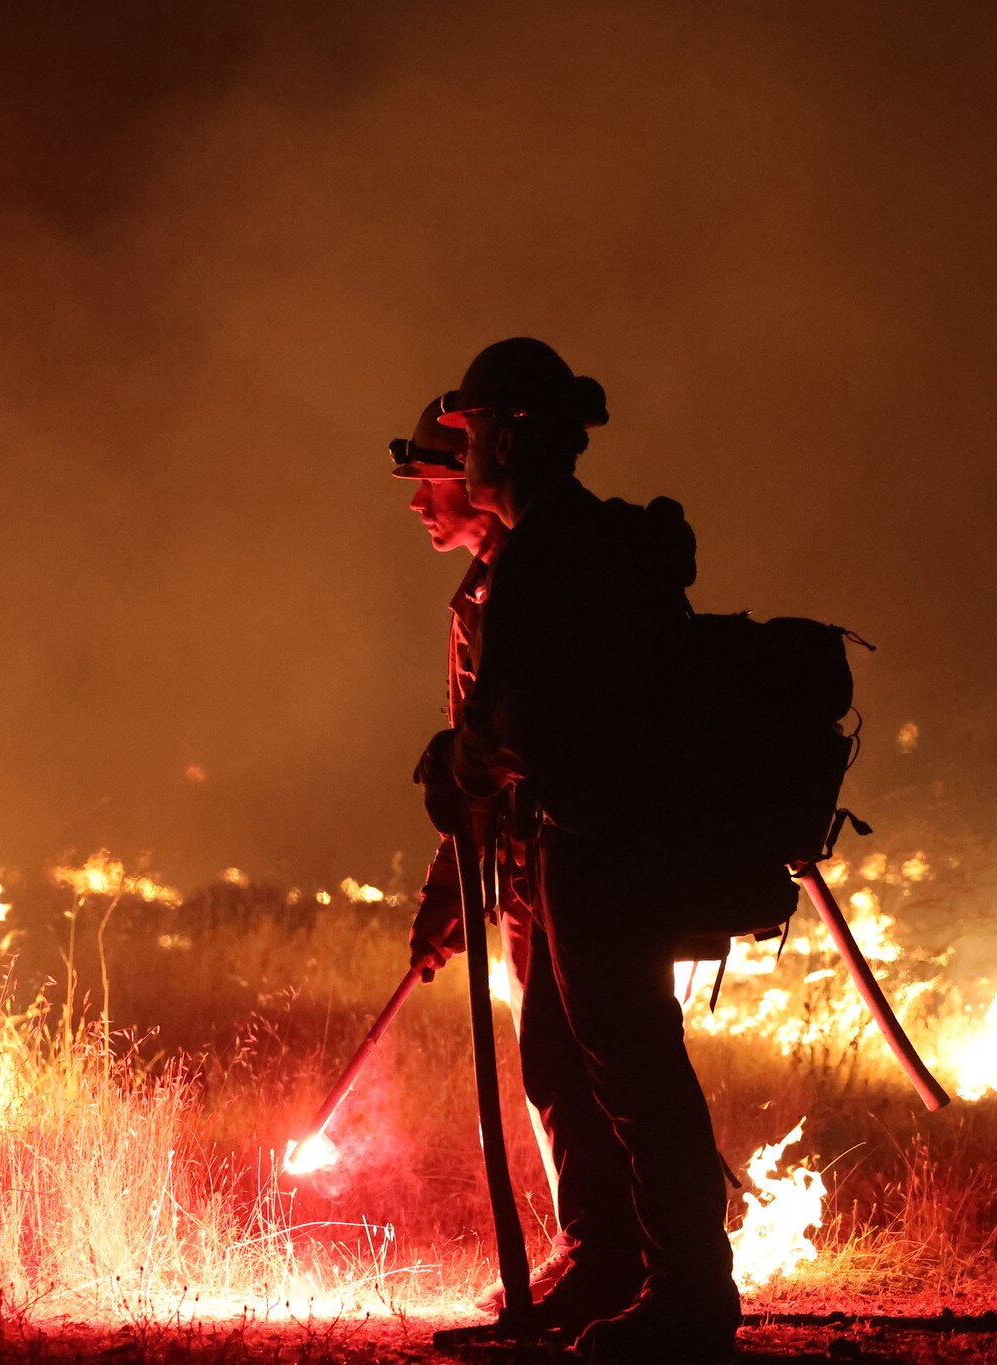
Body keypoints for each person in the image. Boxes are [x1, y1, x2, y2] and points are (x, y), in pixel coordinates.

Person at [418, 338, 740, 1364]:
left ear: (509, 438)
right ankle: (609, 1266)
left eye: (469, 438)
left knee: (631, 1066)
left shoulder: (555, 552)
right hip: (575, 844)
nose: (457, 462)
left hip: (605, 841)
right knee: (566, 1059)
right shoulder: (561, 544)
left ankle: (688, 1297)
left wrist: (456, 765)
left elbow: (522, 714)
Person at [389, 397, 575, 1308]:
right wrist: (448, 901)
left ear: (482, 465)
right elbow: (475, 763)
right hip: (529, 866)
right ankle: (614, 1255)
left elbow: (506, 745)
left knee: (575, 1057)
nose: (419, 502)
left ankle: (618, 1260)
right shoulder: (486, 591)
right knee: (563, 1057)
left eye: (430, 479)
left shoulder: (539, 576)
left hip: (571, 855)